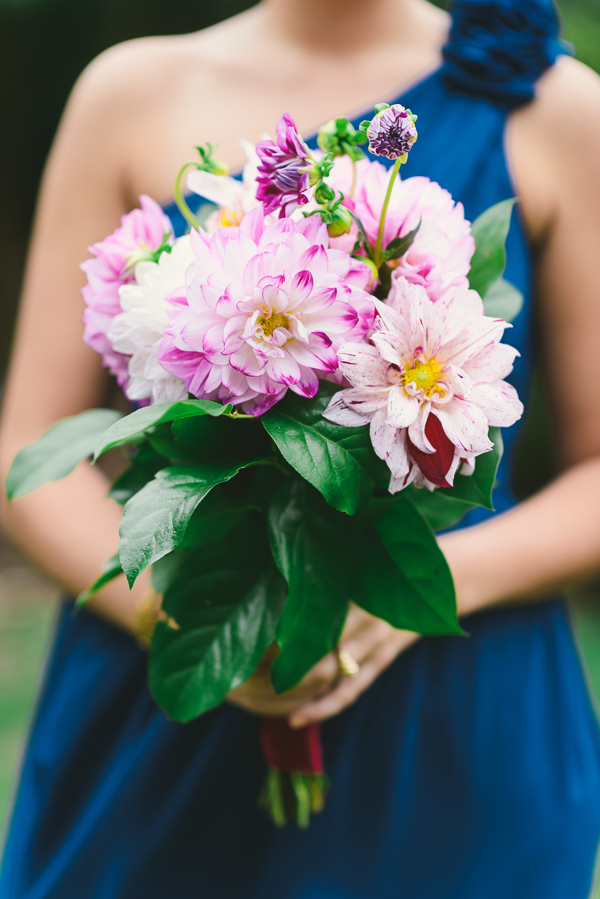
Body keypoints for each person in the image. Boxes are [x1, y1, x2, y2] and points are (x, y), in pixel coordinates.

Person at [2, 0, 600, 895]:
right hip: (168, 706)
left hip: (455, 718)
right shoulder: (127, 94)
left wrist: (390, 600)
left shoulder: (560, 111)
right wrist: (185, 623)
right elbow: (31, 448)